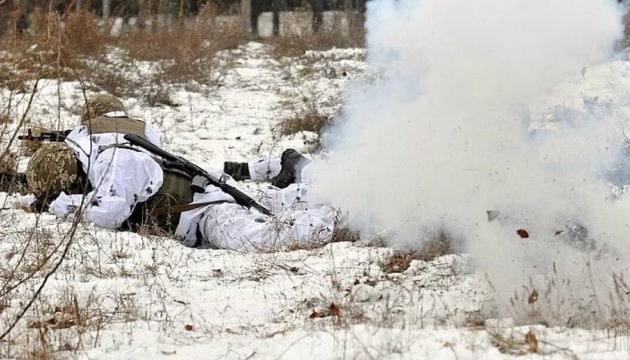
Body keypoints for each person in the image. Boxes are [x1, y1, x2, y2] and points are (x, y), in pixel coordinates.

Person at [26, 95, 337, 250]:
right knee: (280, 200)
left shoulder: (115, 161)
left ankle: (344, 216)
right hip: (214, 194)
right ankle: (343, 189)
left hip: (207, 214)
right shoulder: (124, 148)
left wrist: (59, 207)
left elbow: (110, 212)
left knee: (259, 239)